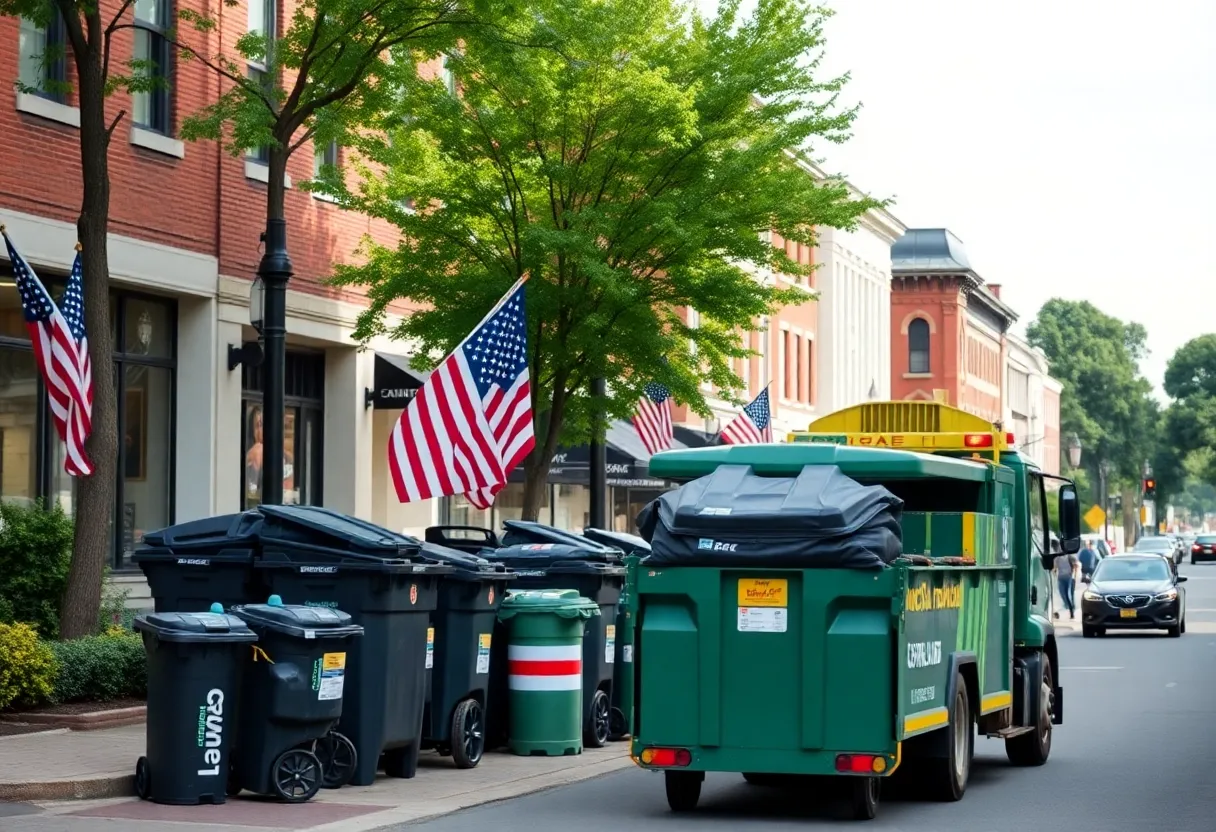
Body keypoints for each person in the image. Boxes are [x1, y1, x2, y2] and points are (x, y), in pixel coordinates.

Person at [1053, 538, 1079, 619]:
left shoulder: (1069, 556)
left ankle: (1071, 611)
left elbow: (1075, 566)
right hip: (1061, 578)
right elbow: (1055, 567)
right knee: (1063, 595)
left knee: (1068, 595)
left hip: (1069, 578)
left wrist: (1074, 577)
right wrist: (1053, 572)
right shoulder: (1057, 557)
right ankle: (1068, 608)